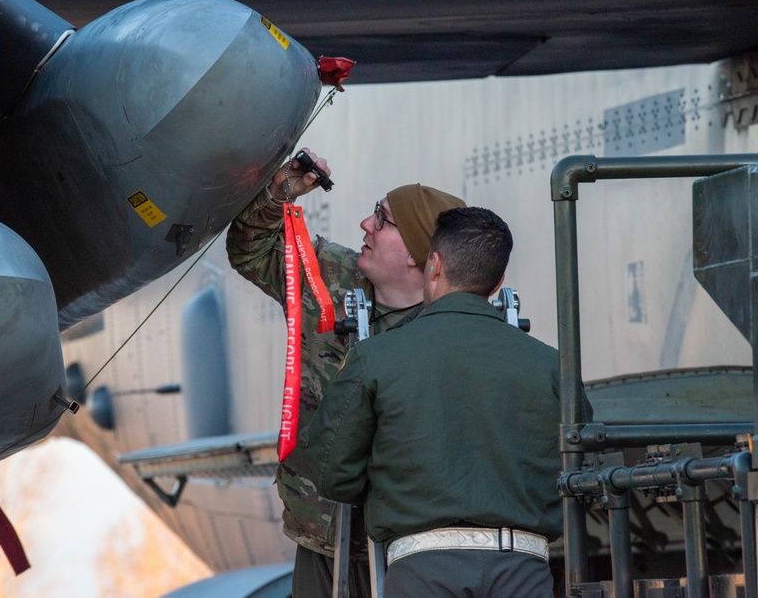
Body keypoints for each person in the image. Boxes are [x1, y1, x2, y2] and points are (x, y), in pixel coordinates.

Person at [304, 207, 589, 598]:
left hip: (422, 571)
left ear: (433, 265)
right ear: (498, 282)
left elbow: (330, 472)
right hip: (525, 571)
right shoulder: (554, 366)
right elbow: (579, 468)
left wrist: (393, 482)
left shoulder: (377, 357)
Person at [226, 148, 465, 598]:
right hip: (322, 536)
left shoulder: (458, 325)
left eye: (383, 220)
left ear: (417, 254)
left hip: (417, 550)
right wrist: (280, 194)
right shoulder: (330, 276)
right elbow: (250, 251)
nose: (365, 224)